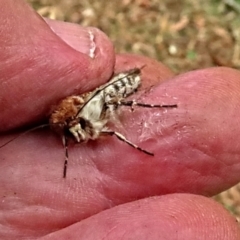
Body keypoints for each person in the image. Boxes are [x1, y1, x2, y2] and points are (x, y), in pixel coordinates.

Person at [1, 1, 240, 239]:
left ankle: (155, 107)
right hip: (112, 91)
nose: (73, 138)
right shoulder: (73, 122)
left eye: (70, 132)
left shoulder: (82, 112)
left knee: (117, 104)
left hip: (121, 87)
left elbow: (103, 114)